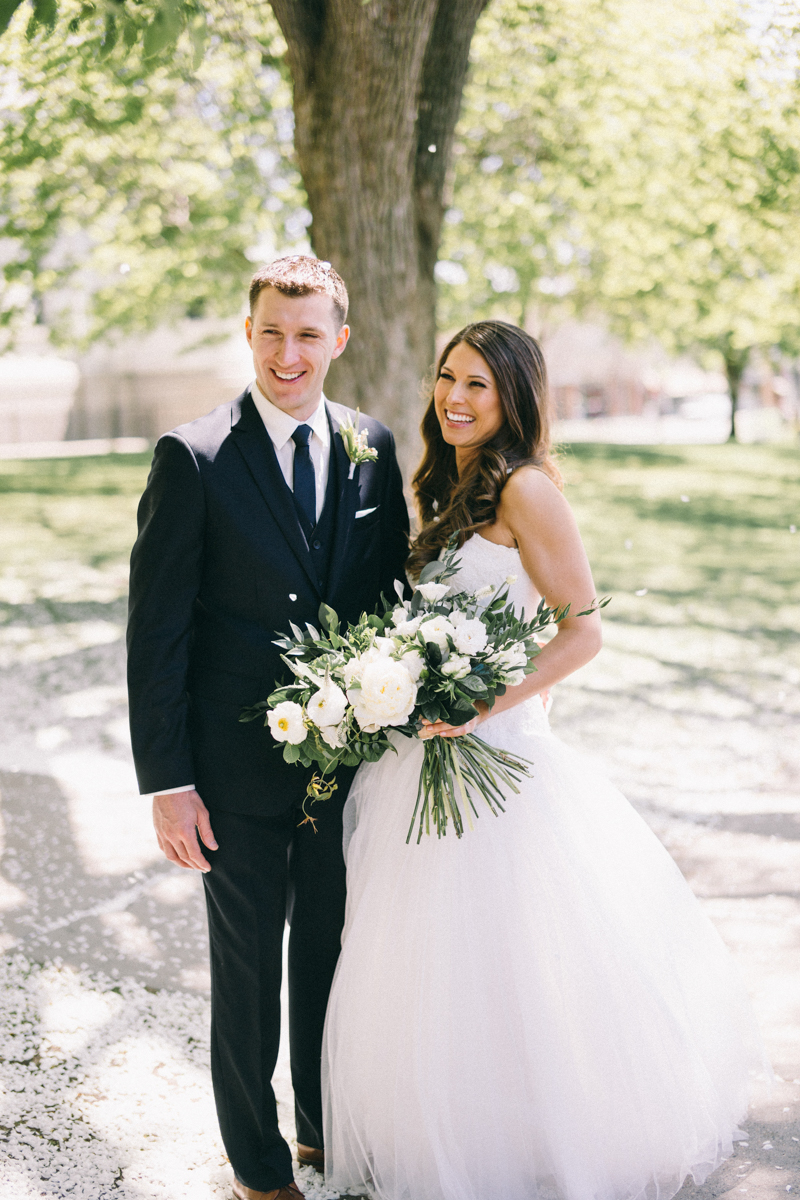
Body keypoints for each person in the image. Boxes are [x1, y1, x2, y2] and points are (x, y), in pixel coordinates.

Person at [321, 320, 765, 1200]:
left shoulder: (526, 488)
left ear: (516, 395)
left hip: (502, 766)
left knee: (509, 964)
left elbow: (584, 631)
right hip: (420, 768)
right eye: (448, 378)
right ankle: (448, 1139)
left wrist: (479, 703)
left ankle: (532, 1144)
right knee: (426, 971)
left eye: (478, 384)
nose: (454, 396)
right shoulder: (447, 485)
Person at [126, 256, 409, 1200]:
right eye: (273, 332)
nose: (291, 353)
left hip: (345, 770)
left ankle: (325, 1125)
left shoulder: (371, 444)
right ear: (250, 333)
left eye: (309, 334)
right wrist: (169, 783)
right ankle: (257, 1165)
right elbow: (157, 630)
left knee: (330, 954)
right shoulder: (194, 456)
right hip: (231, 776)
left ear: (340, 338)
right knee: (246, 976)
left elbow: (390, 598)